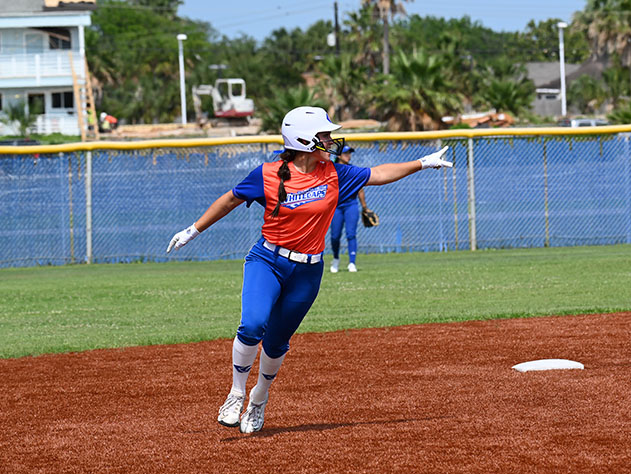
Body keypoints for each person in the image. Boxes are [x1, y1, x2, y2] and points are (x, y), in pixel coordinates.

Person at [166, 106, 452, 434]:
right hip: (267, 261)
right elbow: (230, 200)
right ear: (304, 140)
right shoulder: (268, 173)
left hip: (307, 273)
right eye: (324, 134)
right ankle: (235, 393)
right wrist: (193, 230)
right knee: (253, 324)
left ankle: (259, 398)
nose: (331, 140)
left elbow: (379, 174)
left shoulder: (335, 172)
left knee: (276, 342)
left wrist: (422, 163)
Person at [329, 145, 371, 273]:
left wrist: (365, 208)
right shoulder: (332, 169)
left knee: (351, 234)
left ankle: (352, 262)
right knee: (335, 236)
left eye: (349, 153)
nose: (348, 155)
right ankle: (336, 259)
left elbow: (360, 190)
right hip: (336, 206)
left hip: (351, 205)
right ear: (339, 155)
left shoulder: (352, 170)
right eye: (345, 153)